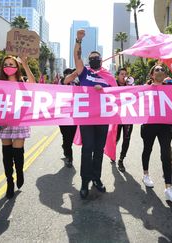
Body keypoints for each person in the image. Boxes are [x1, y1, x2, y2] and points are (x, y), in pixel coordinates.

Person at [74, 29, 116, 199]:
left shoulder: (108, 76)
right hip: (87, 119)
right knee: (88, 148)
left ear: (100, 59)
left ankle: (96, 179)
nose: (94, 60)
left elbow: (116, 96)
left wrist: (103, 90)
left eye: (96, 58)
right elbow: (77, 58)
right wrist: (78, 40)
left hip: (103, 118)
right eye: (91, 58)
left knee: (98, 149)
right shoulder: (84, 72)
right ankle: (85, 181)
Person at [0, 55, 36, 199]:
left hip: (19, 122)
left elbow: (34, 83)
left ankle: (19, 172)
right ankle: (9, 181)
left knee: (17, 152)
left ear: (17, 67)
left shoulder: (22, 82)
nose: (8, 67)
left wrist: (25, 64)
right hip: (4, 122)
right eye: (6, 64)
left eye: (12, 64)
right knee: (7, 154)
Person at [140, 64, 172, 201]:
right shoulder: (145, 89)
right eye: (157, 69)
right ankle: (146, 174)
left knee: (166, 153)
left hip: (165, 126)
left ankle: (168, 188)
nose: (160, 71)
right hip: (149, 124)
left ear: (165, 75)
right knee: (147, 149)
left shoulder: (169, 89)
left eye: (162, 70)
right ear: (152, 75)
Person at [111, 67, 133, 172]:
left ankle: (121, 160)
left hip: (128, 117)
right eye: (122, 74)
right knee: (116, 137)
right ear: (117, 76)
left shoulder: (130, 85)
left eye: (125, 74)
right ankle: (112, 152)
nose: (124, 76)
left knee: (127, 138)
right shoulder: (113, 85)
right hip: (116, 117)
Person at [59, 68, 79, 168]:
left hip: (74, 116)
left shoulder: (77, 84)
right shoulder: (62, 82)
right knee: (66, 136)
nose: (68, 76)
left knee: (70, 137)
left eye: (70, 74)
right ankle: (69, 157)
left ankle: (65, 147)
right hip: (63, 116)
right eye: (66, 74)